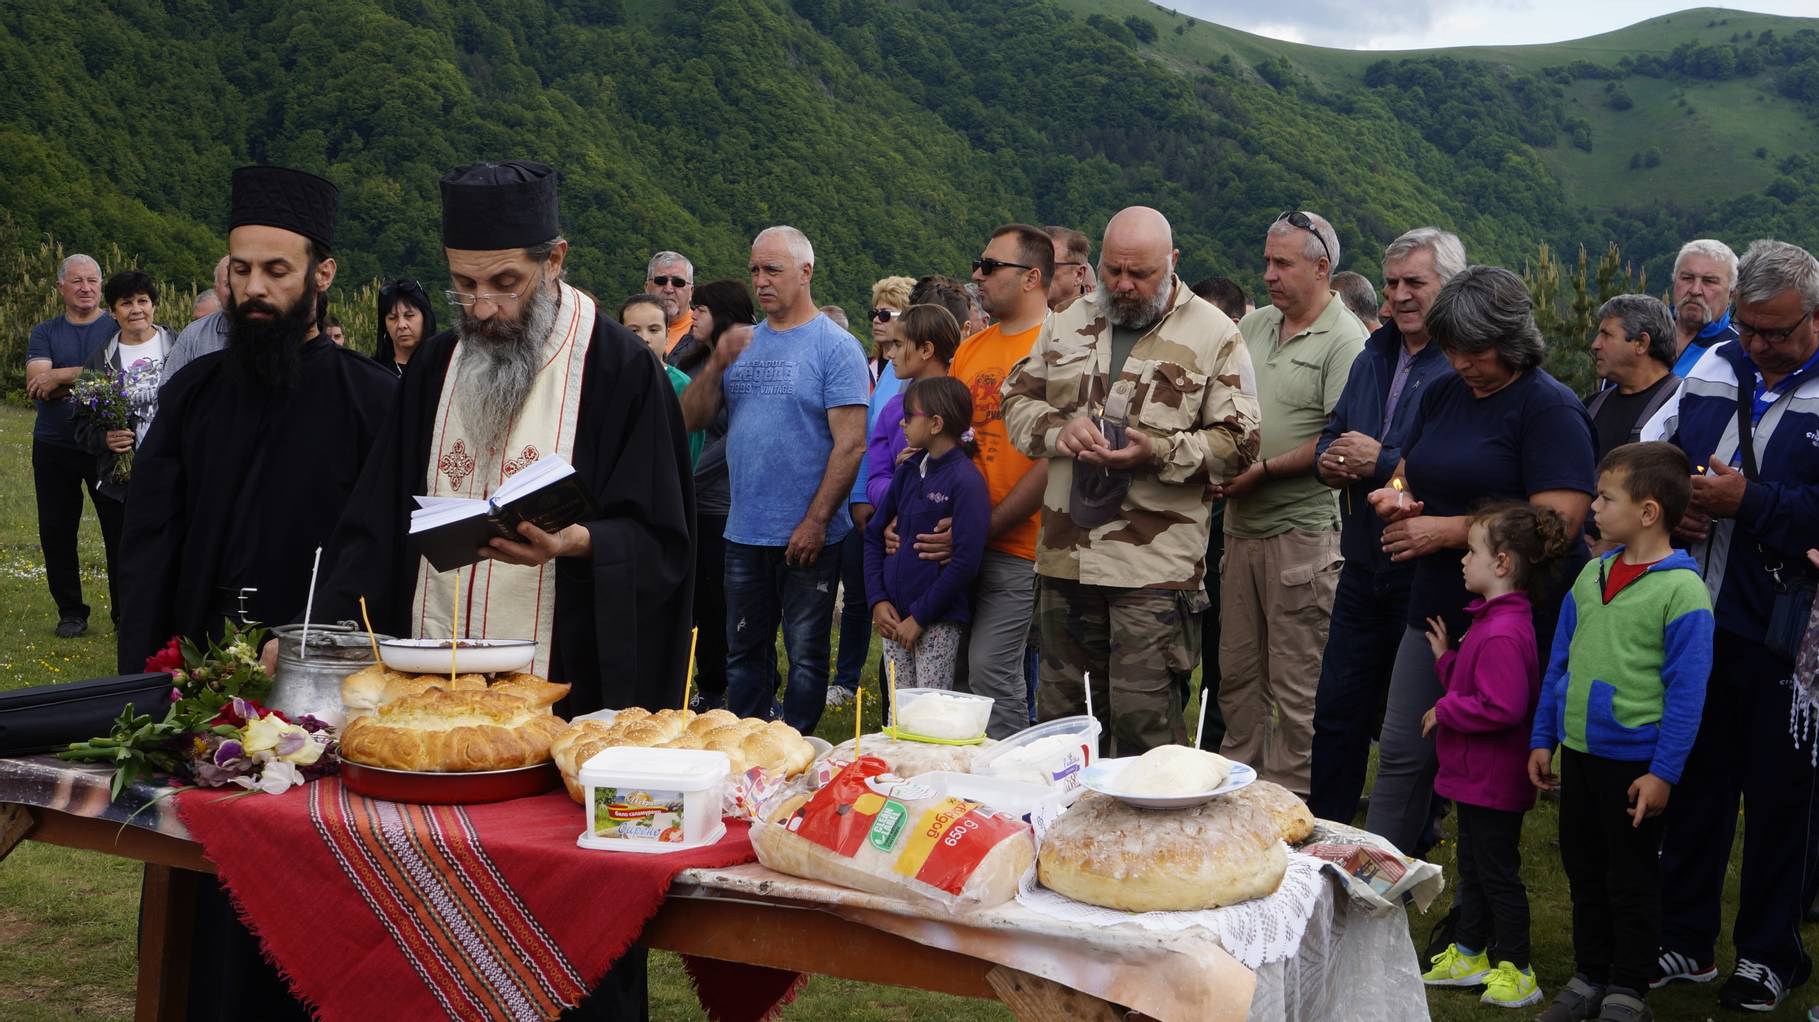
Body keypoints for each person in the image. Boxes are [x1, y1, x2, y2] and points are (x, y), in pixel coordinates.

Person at [116, 164, 395, 1019]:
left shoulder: (371, 400)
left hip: (319, 698)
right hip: (200, 688)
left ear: (323, 274)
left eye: (277, 270)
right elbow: (148, 545)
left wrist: (322, 647)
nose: (257, 288)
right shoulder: (194, 392)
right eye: (242, 269)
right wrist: (147, 683)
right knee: (200, 905)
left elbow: (383, 550)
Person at [319, 159, 694, 736]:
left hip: (564, 684)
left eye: (504, 283)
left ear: (554, 261)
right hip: (429, 681)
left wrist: (579, 541)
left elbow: (663, 540)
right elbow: (375, 519)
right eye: (464, 286)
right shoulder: (436, 365)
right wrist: (320, 629)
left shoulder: (620, 371)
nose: (484, 308)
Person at [1003, 206, 1261, 754]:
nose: (1122, 285)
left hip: (1154, 570)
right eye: (1113, 269)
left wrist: (1159, 451)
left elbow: (1241, 442)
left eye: (1139, 273)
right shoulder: (1066, 320)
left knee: (1144, 732)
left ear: (1172, 263)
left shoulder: (1214, 334)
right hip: (1066, 559)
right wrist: (1058, 429)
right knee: (1064, 732)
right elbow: (1017, 399)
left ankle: (1148, 838)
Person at [1362, 265, 1596, 856]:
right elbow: (1411, 464)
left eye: (1476, 350)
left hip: (1512, 618)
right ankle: (1371, 888)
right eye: (1452, 349)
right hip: (1438, 601)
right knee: (1402, 751)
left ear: (1513, 339)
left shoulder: (1550, 410)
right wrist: (1397, 493)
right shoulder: (1446, 391)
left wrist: (1448, 531)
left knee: (1487, 771)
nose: (1462, 362)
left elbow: (1558, 525)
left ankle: (1482, 912)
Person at [1643, 239, 1819, 1013]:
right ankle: (1683, 938)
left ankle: (1769, 952)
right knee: (1695, 782)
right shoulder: (1713, 365)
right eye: (1746, 328)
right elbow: (1648, 452)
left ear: (1812, 316)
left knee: (1781, 797)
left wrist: (1749, 504)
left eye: (1775, 333)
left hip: (1790, 632)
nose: (1756, 346)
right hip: (1699, 617)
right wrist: (1671, 500)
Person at [1527, 443, 1713, 1022]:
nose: (1596, 507)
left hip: (1634, 764)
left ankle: (1629, 986)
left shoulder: (1683, 592)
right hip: (1579, 754)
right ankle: (1590, 974)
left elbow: (1687, 694)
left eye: (1607, 498)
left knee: (1629, 876)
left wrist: (1663, 774)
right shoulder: (1591, 574)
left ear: (1649, 512)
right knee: (1583, 869)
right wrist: (1543, 737)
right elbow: (1559, 663)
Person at [680, 225, 867, 734]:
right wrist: (717, 362)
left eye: (773, 270)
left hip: (807, 532)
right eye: (755, 271)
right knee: (744, 651)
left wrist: (816, 520)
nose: (761, 281)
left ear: (805, 273)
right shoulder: (742, 345)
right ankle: (749, 752)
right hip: (744, 530)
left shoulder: (836, 348)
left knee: (807, 655)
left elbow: (850, 444)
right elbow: (689, 419)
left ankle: (798, 751)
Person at [1309, 228, 1465, 823]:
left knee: (1411, 722)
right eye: (1393, 282)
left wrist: (1379, 460)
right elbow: (1335, 434)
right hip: (1363, 558)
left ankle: (1413, 837)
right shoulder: (1373, 355)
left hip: (1425, 566)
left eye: (1415, 283)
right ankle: (1325, 831)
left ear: (1447, 287)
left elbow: (1441, 466)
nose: (1399, 295)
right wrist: (1330, 459)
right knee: (1337, 707)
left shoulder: (1458, 364)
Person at [1218, 210, 1365, 796]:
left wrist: (1263, 470)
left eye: (1283, 263)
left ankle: (1291, 808)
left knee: (1298, 682)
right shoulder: (1254, 326)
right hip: (1241, 527)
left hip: (1303, 536)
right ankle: (1235, 796)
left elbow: (1340, 437)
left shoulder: (1345, 338)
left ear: (1322, 267)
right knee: (1237, 676)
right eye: (1267, 261)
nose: (1269, 274)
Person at [900, 225, 1057, 740]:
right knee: (952, 676)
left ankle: (1010, 789)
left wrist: (979, 528)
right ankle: (961, 796)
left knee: (992, 671)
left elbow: (1054, 460)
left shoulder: (1062, 348)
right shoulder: (972, 350)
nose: (976, 275)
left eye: (990, 266)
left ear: (1032, 277)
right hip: (951, 543)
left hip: (1016, 542)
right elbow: (949, 442)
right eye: (979, 263)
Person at [1418, 503, 1570, 1010]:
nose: (1463, 560)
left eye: (1472, 551)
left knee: (1498, 874)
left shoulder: (1503, 631)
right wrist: (1447, 663)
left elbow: (1501, 706)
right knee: (1477, 869)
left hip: (1493, 780)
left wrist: (1445, 709)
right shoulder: (1493, 622)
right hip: (1477, 777)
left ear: (1502, 563)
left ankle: (1518, 968)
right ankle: (1468, 953)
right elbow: (1478, 684)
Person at [865, 377, 990, 689]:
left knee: (928, 712)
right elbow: (873, 535)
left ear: (935, 424)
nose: (902, 424)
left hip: (936, 622)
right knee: (898, 715)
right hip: (893, 616)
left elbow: (965, 562)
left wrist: (920, 617)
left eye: (909, 417)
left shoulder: (966, 481)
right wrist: (878, 601)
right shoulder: (907, 471)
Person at [668, 279, 756, 711]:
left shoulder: (744, 358)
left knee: (725, 603)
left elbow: (733, 437)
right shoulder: (692, 357)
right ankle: (703, 684)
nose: (694, 314)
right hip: (692, 500)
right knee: (698, 602)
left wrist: (684, 475)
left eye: (702, 307)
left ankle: (729, 689)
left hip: (721, 501)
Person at [830, 275, 917, 708]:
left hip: (887, 504)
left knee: (887, 604)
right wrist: (860, 494)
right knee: (866, 598)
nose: (877, 322)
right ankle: (871, 693)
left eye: (888, 314)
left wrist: (871, 496)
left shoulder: (903, 375)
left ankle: (895, 706)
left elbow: (891, 442)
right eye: (874, 313)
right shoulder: (882, 370)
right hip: (869, 500)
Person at [68, 270, 173, 626]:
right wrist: (106, 440)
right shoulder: (100, 361)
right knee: (124, 552)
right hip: (122, 478)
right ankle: (126, 619)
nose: (136, 309)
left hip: (175, 472)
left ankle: (173, 615)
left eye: (143, 301)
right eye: (126, 303)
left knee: (176, 546)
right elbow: (80, 424)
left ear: (154, 305)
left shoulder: (178, 348)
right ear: (113, 311)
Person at [27, 253, 117, 638]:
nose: (86, 287)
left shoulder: (116, 327)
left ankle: (125, 613)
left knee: (119, 532)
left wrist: (63, 375)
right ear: (61, 287)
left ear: (101, 285)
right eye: (77, 281)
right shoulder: (45, 332)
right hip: (54, 445)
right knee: (57, 531)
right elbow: (37, 384)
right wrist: (96, 380)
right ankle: (71, 612)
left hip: (106, 445)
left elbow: (122, 374)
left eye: (93, 280)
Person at [1585, 296, 1680, 552]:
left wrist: (1610, 545)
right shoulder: (1592, 405)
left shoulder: (1680, 408)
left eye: (1606, 335)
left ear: (1641, 343)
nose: (1595, 345)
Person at [862, 304, 962, 507]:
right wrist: (902, 483)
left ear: (926, 349)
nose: (890, 354)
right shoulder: (893, 409)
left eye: (898, 345)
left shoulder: (962, 406)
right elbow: (876, 480)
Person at [621, 293, 703, 466]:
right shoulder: (609, 383)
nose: (644, 338)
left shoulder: (682, 386)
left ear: (667, 335)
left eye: (653, 330)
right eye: (634, 330)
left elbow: (689, 452)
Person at [1668, 239, 1739, 378]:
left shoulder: (1737, 354)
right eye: (1687, 278)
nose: (1695, 290)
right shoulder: (1642, 334)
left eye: (1709, 281)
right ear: (1674, 281)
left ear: (1731, 293)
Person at [160, 255, 231, 388]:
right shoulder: (193, 336)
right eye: (228, 284)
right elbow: (166, 395)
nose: (237, 290)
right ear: (216, 290)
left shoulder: (276, 331)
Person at [372, 279, 436, 375]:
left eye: (409, 316)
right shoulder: (373, 371)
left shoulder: (444, 367)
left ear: (425, 318)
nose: (401, 325)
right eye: (393, 318)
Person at [645, 250, 694, 353]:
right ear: (647, 288)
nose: (668, 289)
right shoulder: (628, 330)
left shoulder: (707, 336)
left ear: (691, 291)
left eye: (678, 282)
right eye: (661, 281)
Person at [1045, 225, 1093, 311]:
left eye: (1049, 266)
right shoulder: (1021, 319)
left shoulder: (1097, 320)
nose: (1038, 273)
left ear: (1079, 275)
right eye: (1034, 264)